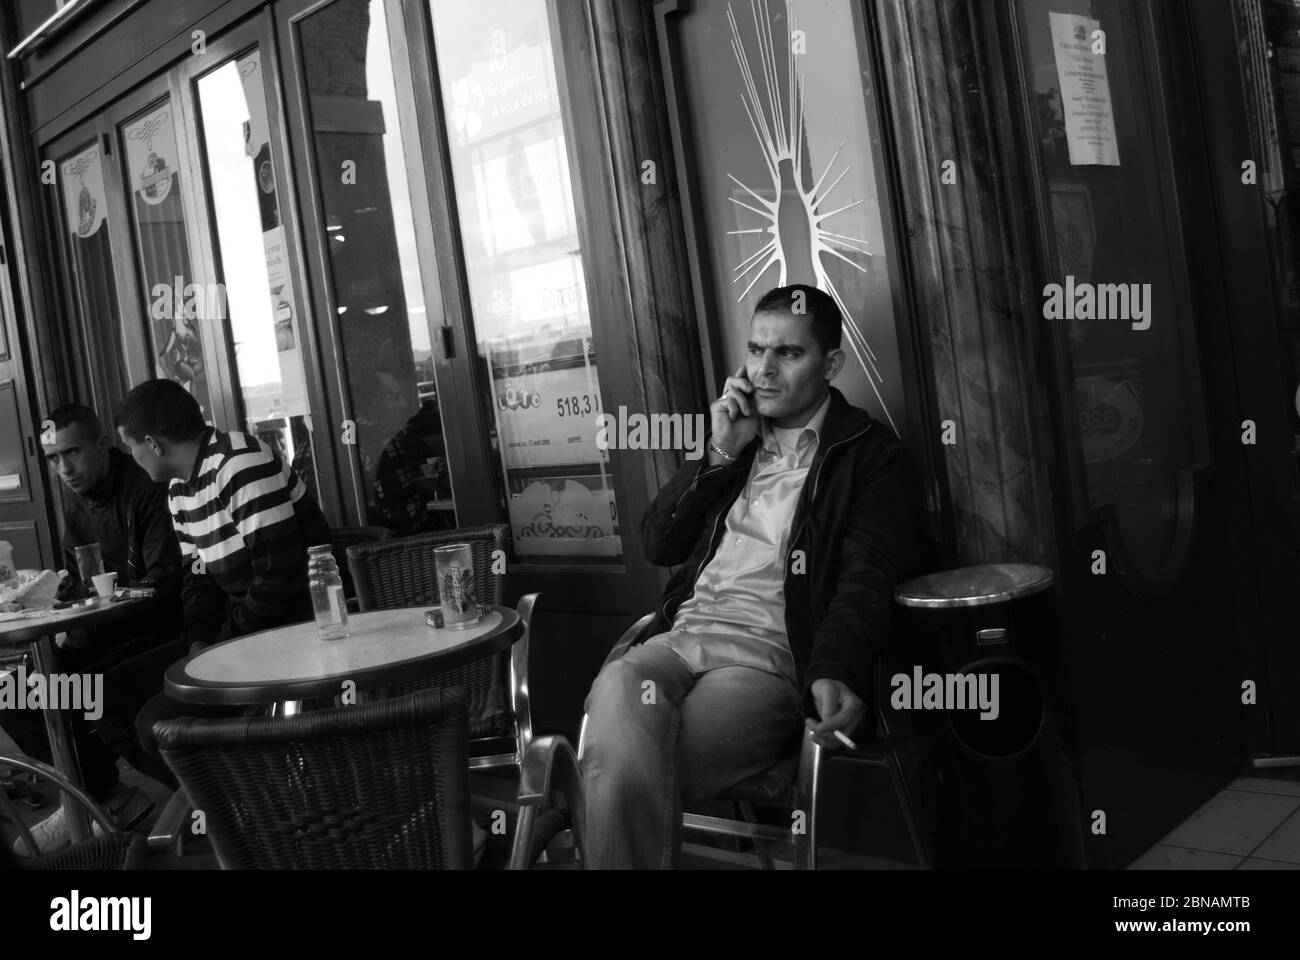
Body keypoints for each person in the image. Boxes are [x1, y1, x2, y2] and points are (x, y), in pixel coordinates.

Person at [581, 284, 918, 868]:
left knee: (611, 762)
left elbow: (866, 578)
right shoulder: (735, 442)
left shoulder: (869, 456)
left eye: (787, 353)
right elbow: (660, 541)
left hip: (762, 663)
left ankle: (567, 801)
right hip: (677, 641)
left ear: (830, 364)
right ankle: (576, 795)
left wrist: (838, 667)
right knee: (619, 686)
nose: (763, 369)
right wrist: (715, 456)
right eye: (756, 350)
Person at [112, 379, 332, 783]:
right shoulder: (179, 488)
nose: (134, 458)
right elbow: (197, 576)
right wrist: (199, 640)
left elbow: (279, 578)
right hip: (241, 632)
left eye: (132, 447)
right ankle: (233, 803)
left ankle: (247, 807)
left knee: (154, 722)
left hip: (292, 630)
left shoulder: (238, 462)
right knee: (109, 698)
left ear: (154, 444)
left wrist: (220, 649)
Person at [5, 404, 184, 852]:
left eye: (72, 453)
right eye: (52, 459)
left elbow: (166, 579)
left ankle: (101, 799)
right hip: (103, 636)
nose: (64, 468)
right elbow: (73, 583)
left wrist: (100, 603)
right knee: (15, 693)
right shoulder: (77, 498)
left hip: (161, 633)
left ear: (101, 445)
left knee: (84, 691)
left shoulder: (146, 485)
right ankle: (103, 797)